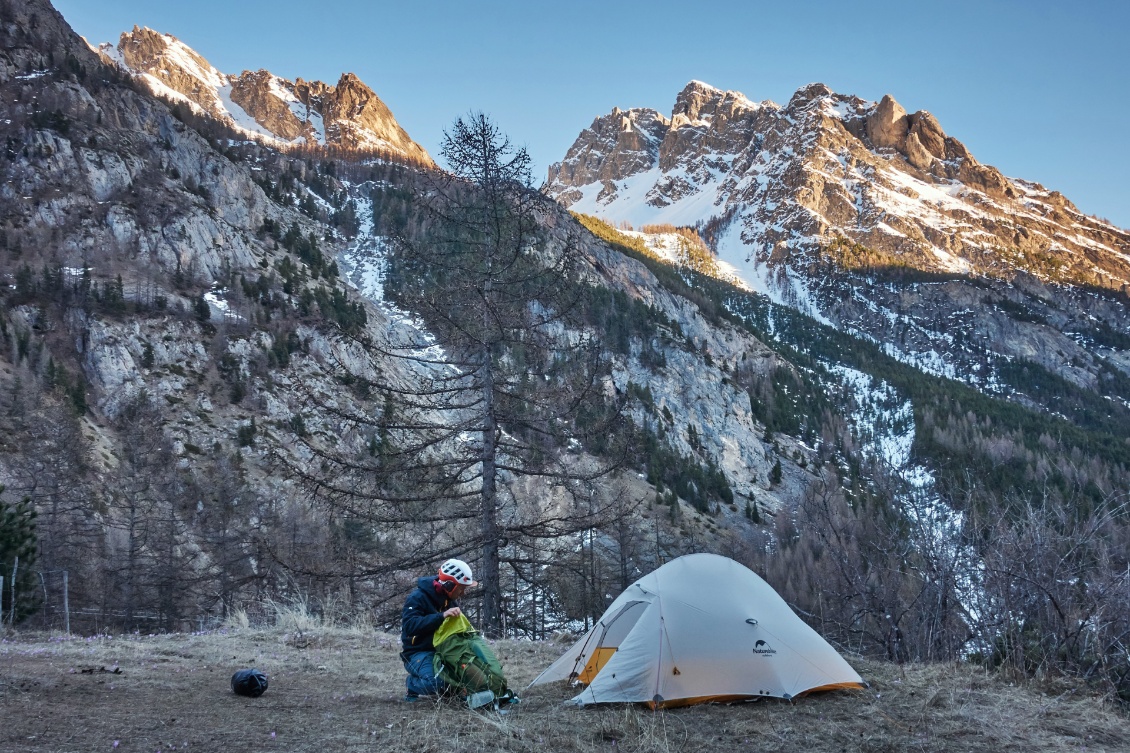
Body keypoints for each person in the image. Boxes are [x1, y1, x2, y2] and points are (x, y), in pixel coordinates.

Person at [400, 558, 477, 702]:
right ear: (449, 586)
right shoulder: (417, 597)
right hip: (417, 654)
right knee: (436, 683)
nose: (463, 593)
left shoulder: (449, 601)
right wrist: (441, 616)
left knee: (468, 677)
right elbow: (410, 626)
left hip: (443, 652)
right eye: (461, 588)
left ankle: (451, 689)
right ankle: (412, 683)